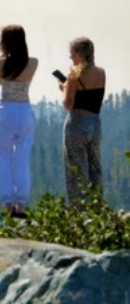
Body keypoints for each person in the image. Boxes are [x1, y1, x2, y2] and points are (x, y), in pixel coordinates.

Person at [0, 25, 38, 218]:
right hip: (24, 110)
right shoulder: (33, 62)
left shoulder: (2, 63)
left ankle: (8, 202)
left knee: (1, 157)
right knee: (22, 157)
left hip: (6, 110)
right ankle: (21, 204)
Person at [58, 37, 106, 205]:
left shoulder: (73, 75)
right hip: (95, 123)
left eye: (72, 52)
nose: (70, 56)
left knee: (76, 170)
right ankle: (97, 207)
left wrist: (64, 88)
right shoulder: (101, 72)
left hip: (77, 122)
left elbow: (68, 103)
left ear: (79, 53)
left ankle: (79, 211)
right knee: (95, 167)